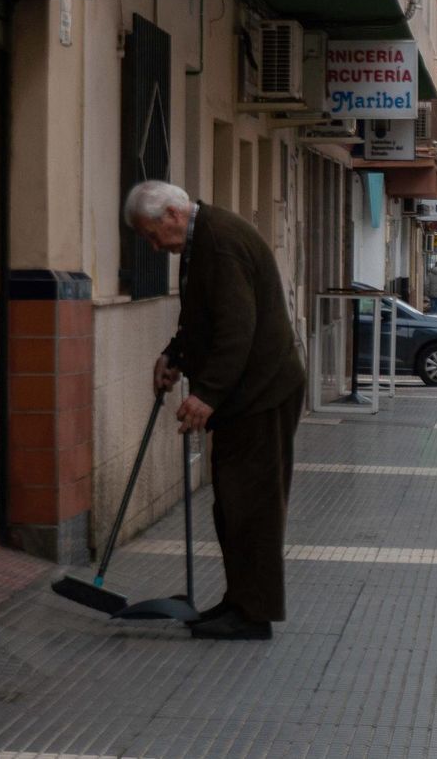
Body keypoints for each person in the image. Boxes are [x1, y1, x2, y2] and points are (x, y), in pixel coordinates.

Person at [125, 180, 306, 642]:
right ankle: (239, 601)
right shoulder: (203, 239)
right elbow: (202, 317)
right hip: (249, 396)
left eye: (151, 235)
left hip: (263, 394)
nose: (153, 247)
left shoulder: (220, 243)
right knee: (232, 504)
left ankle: (254, 614)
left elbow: (236, 328)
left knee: (253, 507)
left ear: (172, 215)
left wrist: (207, 394)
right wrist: (175, 354)